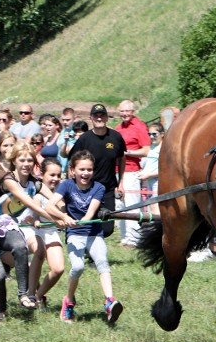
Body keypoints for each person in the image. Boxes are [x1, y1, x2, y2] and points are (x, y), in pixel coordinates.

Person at [0, 142, 54, 322]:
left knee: (20, 247)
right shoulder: (8, 180)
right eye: (22, 159)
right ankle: (0, 313)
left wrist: (68, 214)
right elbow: (28, 202)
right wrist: (56, 219)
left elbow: (55, 200)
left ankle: (24, 295)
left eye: (30, 159)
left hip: (8, 226)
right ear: (14, 161)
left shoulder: (34, 183)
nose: (26, 163)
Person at [46, 150, 123, 324]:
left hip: (93, 233)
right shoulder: (66, 185)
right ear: (73, 170)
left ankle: (109, 302)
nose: (86, 173)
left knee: (102, 261)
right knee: (78, 266)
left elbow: (90, 214)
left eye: (89, 169)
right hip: (74, 235)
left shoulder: (98, 188)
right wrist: (65, 218)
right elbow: (50, 206)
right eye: (82, 169)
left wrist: (80, 221)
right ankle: (69, 301)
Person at [69, 103, 126, 237]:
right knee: (88, 222)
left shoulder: (116, 137)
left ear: (107, 118)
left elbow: (122, 158)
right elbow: (72, 160)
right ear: (91, 118)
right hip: (88, 188)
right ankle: (92, 250)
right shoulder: (84, 139)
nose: (99, 119)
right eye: (96, 116)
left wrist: (121, 182)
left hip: (108, 188)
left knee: (107, 228)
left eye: (102, 116)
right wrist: (73, 183)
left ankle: (94, 245)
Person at [22, 157, 66, 310]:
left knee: (59, 268)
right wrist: (35, 219)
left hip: (50, 231)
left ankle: (39, 296)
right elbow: (35, 208)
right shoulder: (37, 191)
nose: (55, 179)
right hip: (33, 231)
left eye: (58, 175)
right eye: (52, 175)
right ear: (42, 175)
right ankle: (31, 295)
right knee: (39, 253)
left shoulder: (60, 194)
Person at [114, 100, 150, 248]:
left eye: (127, 111)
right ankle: (124, 238)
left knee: (132, 204)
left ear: (133, 111)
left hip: (131, 170)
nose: (125, 114)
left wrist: (128, 153)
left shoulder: (139, 127)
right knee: (120, 204)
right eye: (122, 111)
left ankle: (134, 239)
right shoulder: (118, 128)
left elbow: (146, 150)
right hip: (116, 170)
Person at [138, 122, 164, 215]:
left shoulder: (163, 148)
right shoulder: (152, 147)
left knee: (155, 209)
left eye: (154, 134)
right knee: (150, 208)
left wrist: (148, 174)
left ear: (162, 134)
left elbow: (164, 171)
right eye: (149, 134)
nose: (152, 136)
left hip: (157, 183)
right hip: (149, 182)